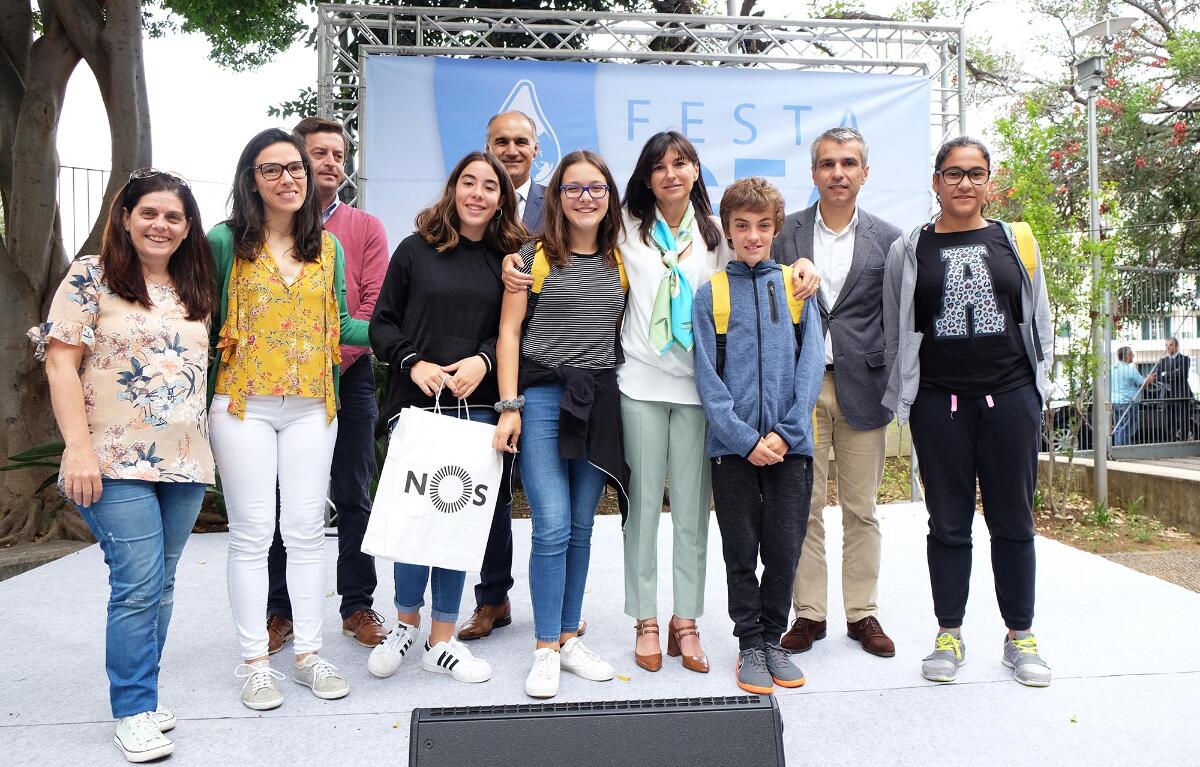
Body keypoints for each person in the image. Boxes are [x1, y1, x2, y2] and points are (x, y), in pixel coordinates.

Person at [29, 169, 214, 762]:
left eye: (174, 217)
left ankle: (146, 695)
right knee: (136, 586)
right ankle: (132, 709)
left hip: (184, 462)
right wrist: (77, 449)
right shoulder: (90, 277)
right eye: (150, 213)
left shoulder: (193, 289)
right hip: (110, 460)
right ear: (126, 217)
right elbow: (61, 365)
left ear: (188, 230)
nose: (161, 225)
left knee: (160, 586)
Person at [882, 136, 1054, 687]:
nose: (964, 183)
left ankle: (1019, 635)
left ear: (988, 181)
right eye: (953, 174)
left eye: (975, 173)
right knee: (948, 524)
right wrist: (904, 397)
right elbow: (896, 327)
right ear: (935, 182)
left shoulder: (1016, 241)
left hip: (1011, 400)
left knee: (1013, 523)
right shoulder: (909, 249)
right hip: (940, 403)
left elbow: (1039, 317)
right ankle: (949, 634)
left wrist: (1039, 391)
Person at [207, 128, 370, 710]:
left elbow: (343, 326)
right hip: (242, 404)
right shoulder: (225, 241)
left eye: (296, 168)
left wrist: (406, 333)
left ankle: (308, 654)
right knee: (252, 534)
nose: (289, 178)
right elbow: (201, 320)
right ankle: (254, 662)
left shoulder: (327, 248)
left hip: (312, 407)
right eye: (272, 169)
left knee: (304, 533)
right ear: (250, 179)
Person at [365, 151, 527, 684]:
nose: (478, 194)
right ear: (453, 189)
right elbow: (382, 326)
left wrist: (482, 361)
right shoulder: (415, 251)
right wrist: (414, 364)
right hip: (415, 407)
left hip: (476, 408)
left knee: (456, 522)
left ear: (503, 198)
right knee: (414, 520)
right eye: (469, 183)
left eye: (490, 187)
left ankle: (443, 638)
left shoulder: (510, 259)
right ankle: (404, 624)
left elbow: (513, 332)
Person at [492, 150, 629, 699]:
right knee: (549, 524)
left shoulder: (623, 257)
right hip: (545, 398)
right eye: (573, 189)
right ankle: (545, 647)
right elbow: (508, 335)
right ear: (557, 197)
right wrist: (509, 406)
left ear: (609, 195)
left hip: (600, 400)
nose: (585, 198)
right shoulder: (529, 257)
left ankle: (570, 635)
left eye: (596, 188)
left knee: (580, 524)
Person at [264, 117, 391, 653]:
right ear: (294, 160)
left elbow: (372, 308)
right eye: (320, 153)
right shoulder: (259, 232)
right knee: (282, 500)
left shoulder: (364, 228)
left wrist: (330, 362)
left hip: (350, 376)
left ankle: (357, 604)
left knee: (354, 493)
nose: (332, 163)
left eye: (340, 155)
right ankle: (278, 610)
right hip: (280, 385)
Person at [692, 177, 824, 695]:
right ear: (727, 230)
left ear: (776, 229)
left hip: (792, 449)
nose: (752, 235)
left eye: (763, 226)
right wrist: (745, 439)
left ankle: (773, 637)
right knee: (740, 550)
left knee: (785, 549)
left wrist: (788, 433)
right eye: (742, 226)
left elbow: (812, 362)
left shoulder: (797, 287)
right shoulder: (712, 295)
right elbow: (707, 376)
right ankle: (749, 642)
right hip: (733, 450)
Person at [774, 127, 902, 659]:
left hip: (863, 389)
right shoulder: (785, 234)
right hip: (800, 389)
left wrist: (898, 389)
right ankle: (809, 614)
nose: (838, 173)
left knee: (861, 509)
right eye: (828, 164)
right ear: (813, 173)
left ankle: (862, 612)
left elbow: (896, 321)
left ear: (865, 173)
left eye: (849, 163)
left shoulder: (891, 239)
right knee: (801, 507)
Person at [614, 130, 730, 674]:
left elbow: (753, 276)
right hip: (639, 382)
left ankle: (686, 620)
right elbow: (567, 247)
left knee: (691, 512)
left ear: (696, 171)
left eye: (681, 164)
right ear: (646, 177)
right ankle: (645, 619)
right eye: (659, 167)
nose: (671, 174)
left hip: (697, 390)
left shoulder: (715, 235)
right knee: (641, 510)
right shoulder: (626, 229)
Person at [458, 109, 547, 641]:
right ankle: (492, 598)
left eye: (521, 141)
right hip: (477, 369)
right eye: (500, 142)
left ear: (536, 148)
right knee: (488, 492)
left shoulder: (554, 203)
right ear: (486, 146)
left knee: (545, 491)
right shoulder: (470, 203)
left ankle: (555, 602)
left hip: (540, 367)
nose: (511, 149)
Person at [1111, 346, 1154, 447]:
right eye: (1131, 354)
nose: (1133, 356)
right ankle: (1124, 450)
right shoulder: (1131, 370)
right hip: (1128, 402)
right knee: (1127, 427)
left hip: (1115, 402)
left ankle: (1119, 448)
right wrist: (1149, 379)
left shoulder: (1112, 368)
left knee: (1118, 426)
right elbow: (1142, 384)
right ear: (1127, 356)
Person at [1157, 337, 1193, 439]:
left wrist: (1166, 374)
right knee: (1169, 422)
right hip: (1167, 396)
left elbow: (1182, 374)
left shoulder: (1185, 359)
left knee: (1183, 420)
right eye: (1166, 345)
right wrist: (1173, 372)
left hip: (1181, 394)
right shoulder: (1162, 361)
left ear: (1176, 346)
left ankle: (1183, 442)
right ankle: (1172, 442)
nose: (1168, 348)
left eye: (1170, 345)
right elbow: (1158, 377)